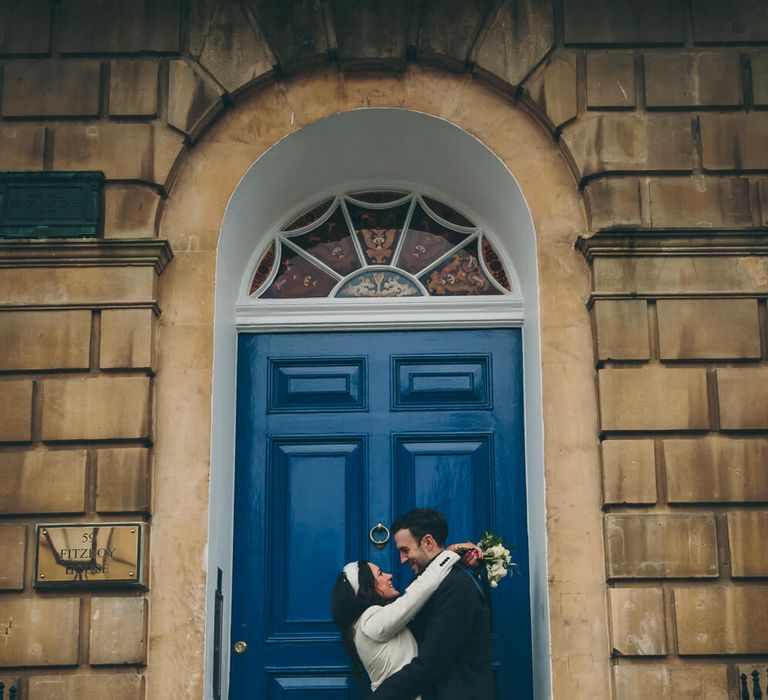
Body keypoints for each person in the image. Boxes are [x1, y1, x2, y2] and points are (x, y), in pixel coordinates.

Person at [332, 537, 481, 696]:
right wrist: (451, 552)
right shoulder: (370, 620)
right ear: (367, 589)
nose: (389, 576)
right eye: (380, 574)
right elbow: (420, 590)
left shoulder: (369, 622)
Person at [373, 508, 495, 700]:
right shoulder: (425, 585)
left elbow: (431, 664)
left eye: (405, 550)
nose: (402, 560)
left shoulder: (455, 586)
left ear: (428, 542)